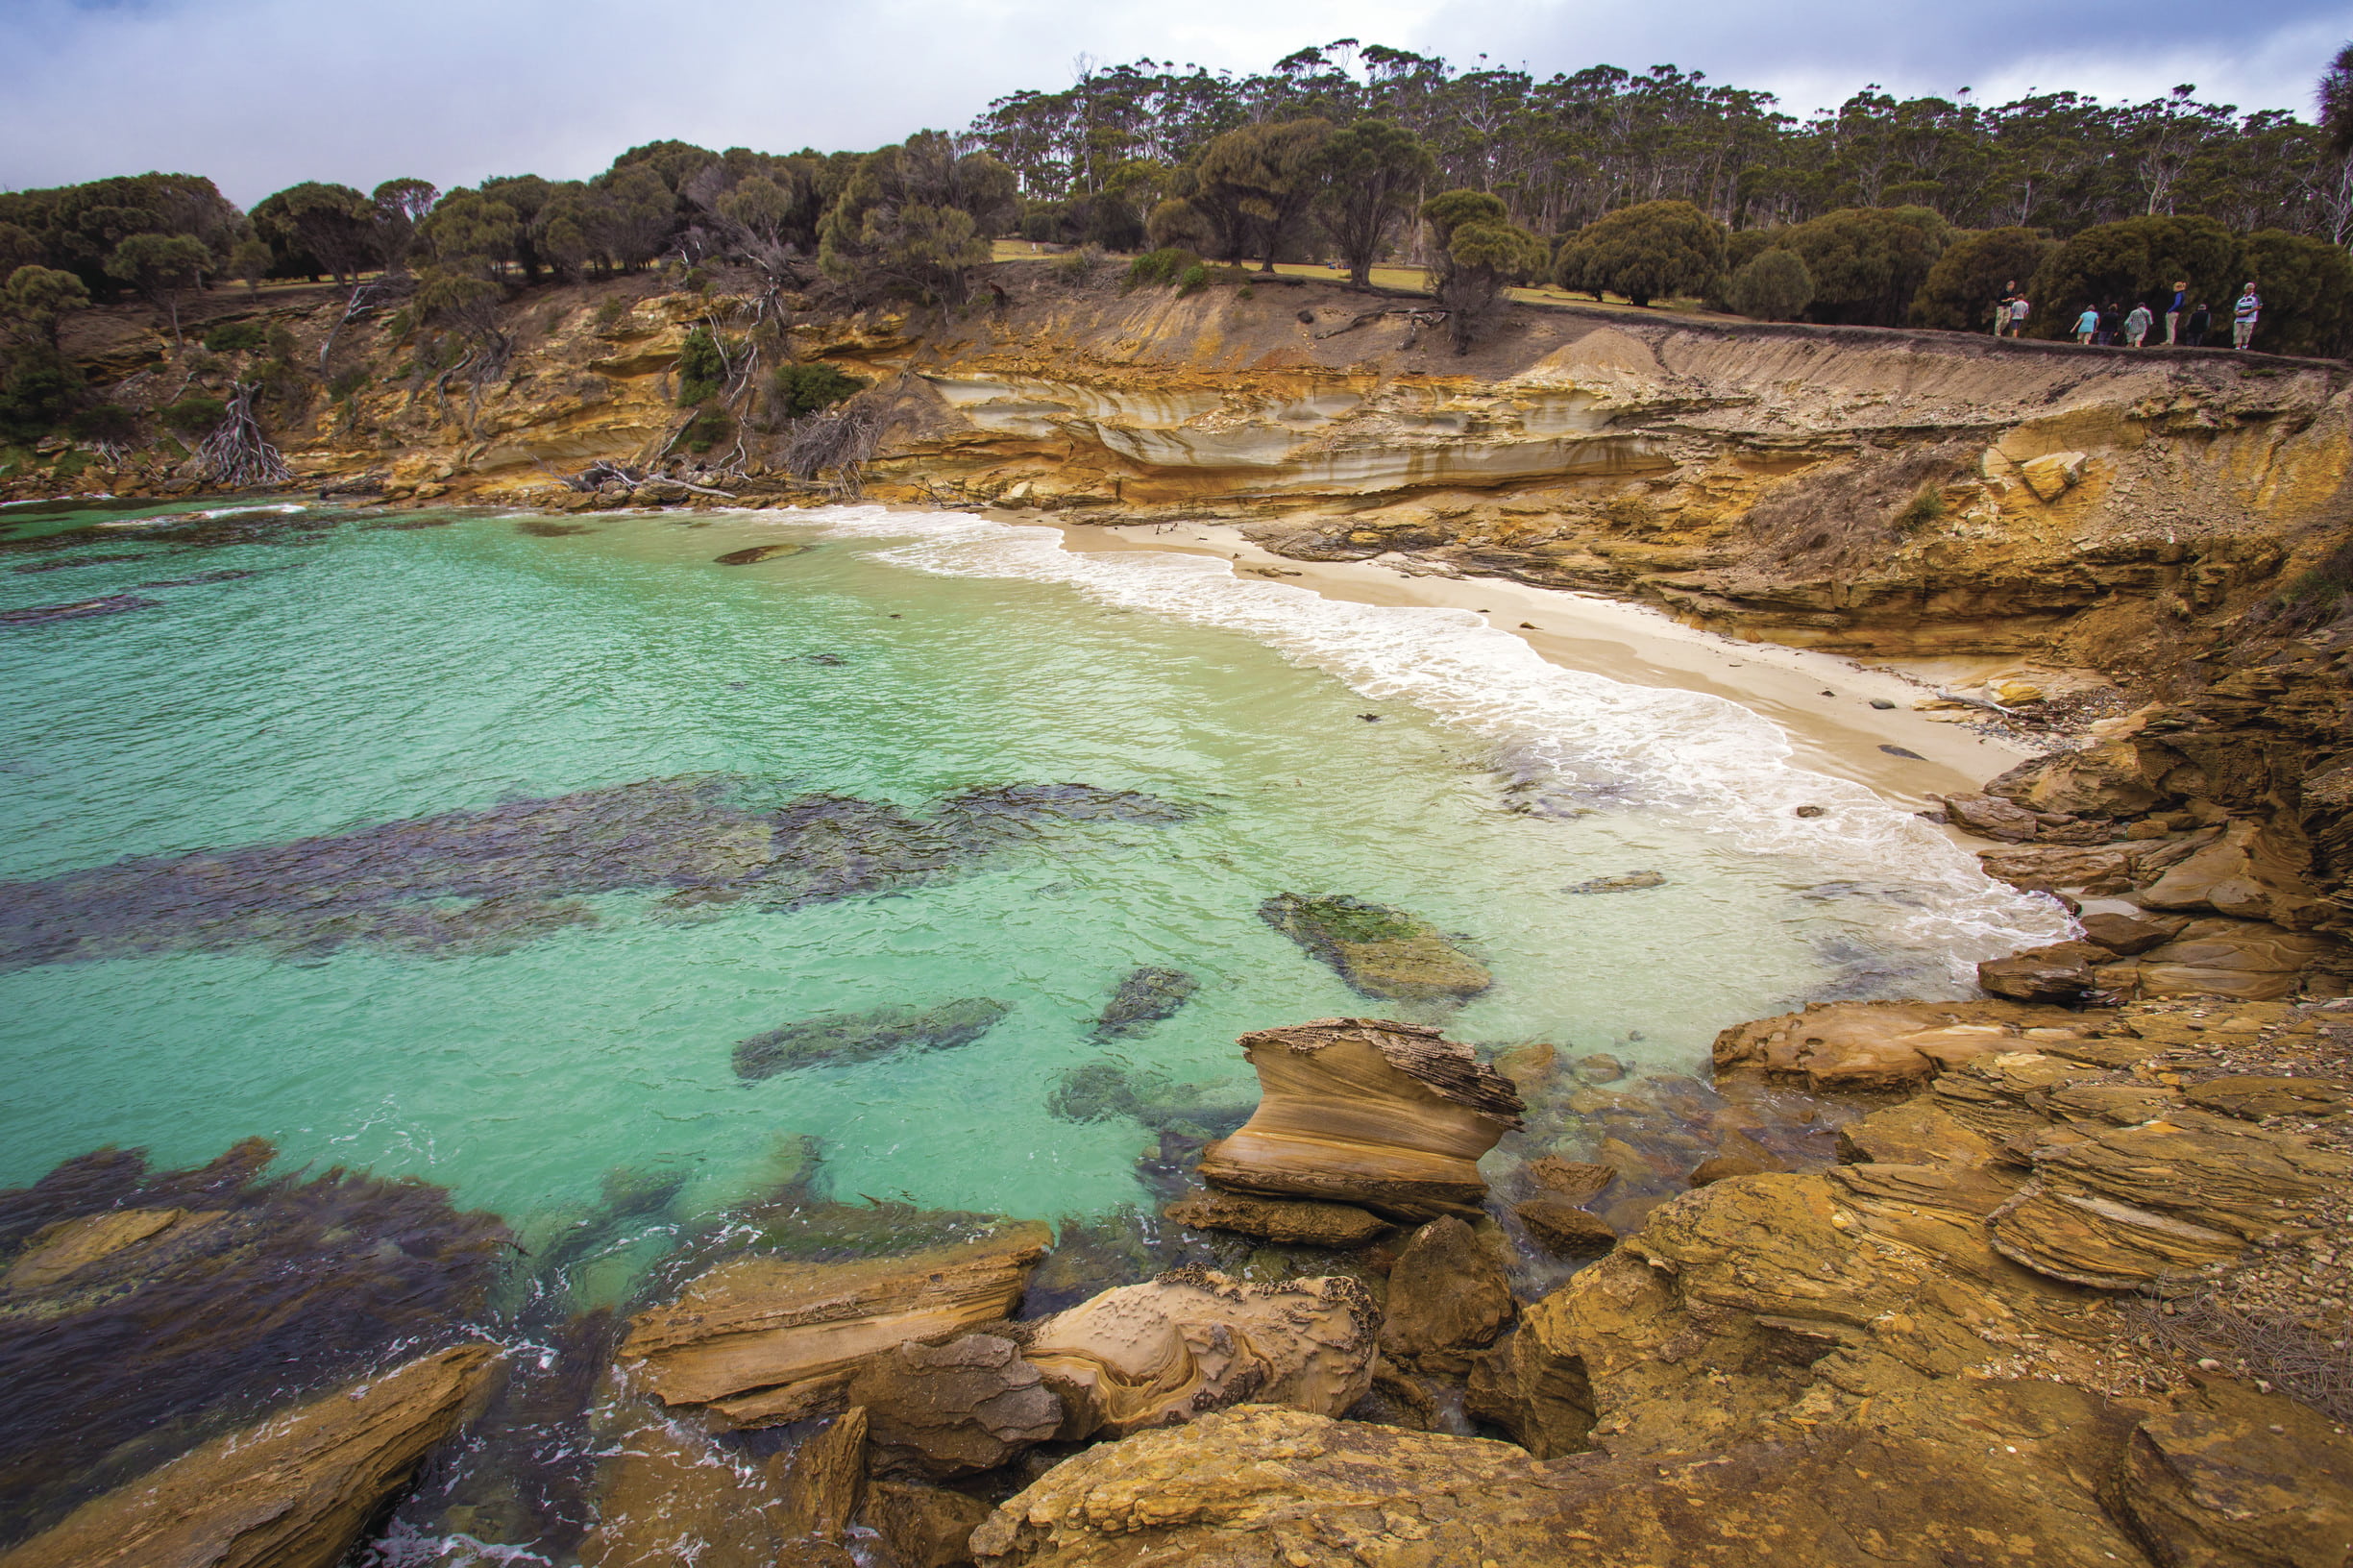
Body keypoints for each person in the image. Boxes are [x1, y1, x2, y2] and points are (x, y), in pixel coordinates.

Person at [2233, 282, 2262, 350]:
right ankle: (2237, 347)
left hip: (2249, 318)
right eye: (2249, 289)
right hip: (2239, 319)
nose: (2251, 290)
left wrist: (2248, 312)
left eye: (2252, 289)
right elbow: (2236, 308)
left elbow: (2259, 306)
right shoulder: (2240, 298)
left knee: (2246, 333)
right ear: (2245, 289)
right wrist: (2237, 313)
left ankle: (2245, 344)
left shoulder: (2255, 297)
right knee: (2237, 333)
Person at [2164, 280, 2189, 345]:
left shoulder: (2179, 294)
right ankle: (2170, 340)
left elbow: (2177, 304)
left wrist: (2169, 310)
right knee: (2172, 326)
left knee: (2170, 327)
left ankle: (2170, 340)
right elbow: (2182, 304)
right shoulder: (2183, 294)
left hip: (2173, 312)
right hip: (2177, 312)